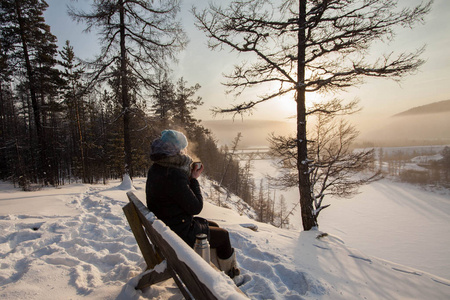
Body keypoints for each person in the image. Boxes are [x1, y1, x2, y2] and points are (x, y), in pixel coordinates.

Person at [145, 129, 240, 278]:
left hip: (167, 228)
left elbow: (174, 194)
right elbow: (196, 207)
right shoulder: (173, 174)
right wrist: (194, 179)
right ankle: (231, 275)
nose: (185, 152)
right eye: (182, 149)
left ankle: (216, 269)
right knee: (223, 236)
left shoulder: (157, 168)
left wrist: (187, 178)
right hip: (177, 233)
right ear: (174, 151)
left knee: (213, 226)